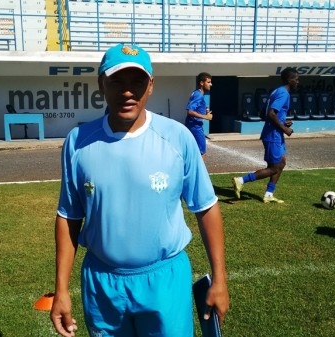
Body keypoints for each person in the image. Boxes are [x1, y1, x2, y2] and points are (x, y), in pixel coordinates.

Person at [50, 44, 229, 337]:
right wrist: (61, 289)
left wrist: (219, 278)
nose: (127, 91)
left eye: (137, 81)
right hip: (102, 283)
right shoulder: (78, 142)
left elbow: (206, 208)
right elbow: (69, 216)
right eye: (117, 81)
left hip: (164, 281)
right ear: (101, 84)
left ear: (151, 86)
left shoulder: (177, 138)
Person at [231, 67, 298, 203]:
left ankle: (269, 194)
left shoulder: (276, 91)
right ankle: (241, 180)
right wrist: (284, 128)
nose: (298, 81)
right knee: (274, 168)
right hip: (273, 135)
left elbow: (263, 113)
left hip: (274, 133)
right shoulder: (284, 93)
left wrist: (283, 121)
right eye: (296, 79)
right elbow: (270, 113)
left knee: (281, 163)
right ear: (289, 80)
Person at [185, 72, 213, 160]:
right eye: (208, 82)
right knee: (202, 153)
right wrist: (206, 117)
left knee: (193, 152)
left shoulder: (196, 93)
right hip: (196, 127)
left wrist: (205, 109)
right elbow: (189, 111)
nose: (211, 84)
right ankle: (200, 173)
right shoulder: (199, 95)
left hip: (191, 125)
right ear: (201, 83)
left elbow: (195, 107)